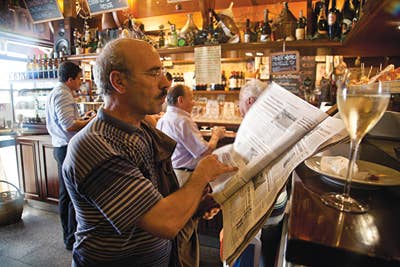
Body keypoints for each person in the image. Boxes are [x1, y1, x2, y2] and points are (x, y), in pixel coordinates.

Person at [62, 38, 237, 267]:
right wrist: (201, 175)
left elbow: (154, 203)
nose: (166, 83)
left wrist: (196, 204)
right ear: (119, 82)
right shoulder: (95, 146)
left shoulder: (142, 129)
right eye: (154, 74)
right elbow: (165, 221)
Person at [156, 84, 225, 266]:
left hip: (171, 174)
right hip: (186, 178)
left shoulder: (163, 118)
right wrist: (216, 135)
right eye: (191, 98)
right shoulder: (183, 120)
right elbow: (203, 151)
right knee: (186, 227)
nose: (193, 102)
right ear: (180, 100)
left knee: (180, 225)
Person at [45, 61, 96, 250]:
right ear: (70, 79)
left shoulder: (57, 92)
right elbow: (69, 125)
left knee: (67, 193)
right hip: (65, 148)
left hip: (61, 146)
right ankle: (70, 238)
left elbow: (67, 122)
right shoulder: (62, 94)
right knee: (69, 194)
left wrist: (82, 119)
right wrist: (91, 121)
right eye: (79, 79)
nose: (81, 82)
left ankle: (70, 235)